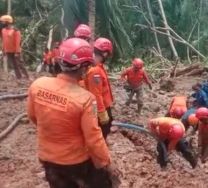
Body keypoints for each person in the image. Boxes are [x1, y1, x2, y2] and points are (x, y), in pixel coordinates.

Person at [27, 38, 121, 188]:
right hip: (75, 162)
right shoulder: (86, 99)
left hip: (48, 158)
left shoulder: (37, 85)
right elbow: (94, 139)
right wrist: (107, 164)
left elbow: (33, 117)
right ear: (84, 68)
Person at [84, 38, 114, 139]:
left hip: (102, 106)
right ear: (105, 53)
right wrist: (102, 113)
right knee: (101, 132)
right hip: (100, 108)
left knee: (104, 130)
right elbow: (96, 94)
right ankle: (96, 153)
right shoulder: (95, 71)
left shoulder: (98, 67)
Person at [0, 15, 29, 79]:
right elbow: (4, 41)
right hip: (8, 51)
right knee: (14, 65)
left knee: (20, 64)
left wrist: (17, 52)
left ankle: (27, 77)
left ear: (7, 22)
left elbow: (17, 42)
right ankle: (19, 77)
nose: (1, 23)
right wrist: (3, 50)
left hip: (16, 51)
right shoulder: (3, 30)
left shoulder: (15, 30)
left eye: (3, 22)